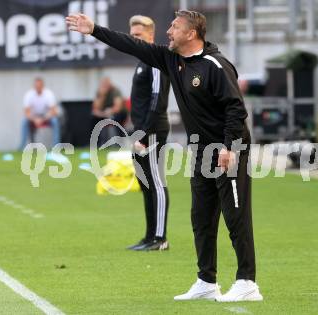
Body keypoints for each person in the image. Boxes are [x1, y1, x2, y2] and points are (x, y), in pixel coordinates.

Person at [66, 10, 262, 302]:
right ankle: (206, 281)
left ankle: (247, 282)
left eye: (175, 26)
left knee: (236, 218)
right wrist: (94, 29)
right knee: (201, 218)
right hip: (201, 153)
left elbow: (236, 109)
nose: (168, 31)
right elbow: (132, 45)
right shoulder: (173, 60)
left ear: (191, 33)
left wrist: (228, 147)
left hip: (227, 152)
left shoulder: (215, 65)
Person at [126, 15, 170, 251]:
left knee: (156, 182)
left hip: (152, 131)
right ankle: (149, 236)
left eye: (139, 36)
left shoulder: (154, 61)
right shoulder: (141, 61)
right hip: (140, 132)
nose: (134, 39)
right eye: (132, 36)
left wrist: (143, 134)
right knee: (145, 183)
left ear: (151, 36)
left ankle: (161, 238)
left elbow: (157, 101)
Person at [20, 78, 60, 149]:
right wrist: (35, 119)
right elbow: (26, 112)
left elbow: (54, 111)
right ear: (34, 86)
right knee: (24, 121)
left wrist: (42, 119)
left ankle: (56, 147)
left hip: (46, 116)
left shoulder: (48, 94)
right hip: (33, 117)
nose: (38, 87)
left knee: (55, 121)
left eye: (39, 85)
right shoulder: (29, 94)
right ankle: (22, 147)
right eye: (36, 86)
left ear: (43, 86)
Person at [91, 77, 128, 147]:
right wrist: (102, 96)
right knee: (93, 119)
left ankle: (120, 142)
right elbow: (95, 108)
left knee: (117, 118)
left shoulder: (115, 91)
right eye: (103, 84)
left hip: (118, 113)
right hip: (104, 114)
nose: (105, 86)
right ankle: (97, 143)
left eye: (106, 84)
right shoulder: (100, 92)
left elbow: (118, 108)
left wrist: (109, 112)